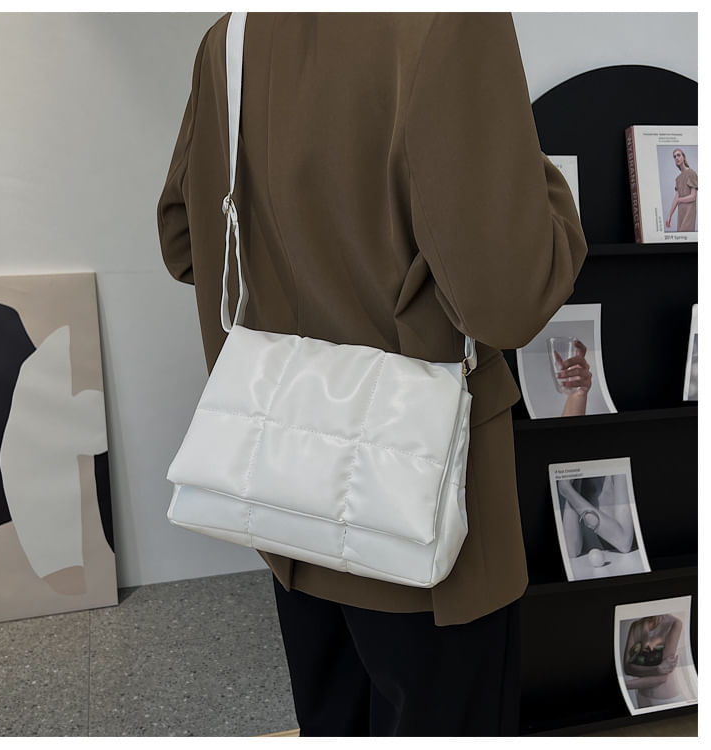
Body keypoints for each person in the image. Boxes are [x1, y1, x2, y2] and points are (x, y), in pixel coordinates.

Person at [157, 12, 588, 736]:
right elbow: (511, 297)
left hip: (286, 500)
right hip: (428, 513)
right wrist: (533, 176)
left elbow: (183, 242)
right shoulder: (450, 22)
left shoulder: (231, 36)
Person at [623, 613, 685, 708]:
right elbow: (627, 668)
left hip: (667, 701)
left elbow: (662, 678)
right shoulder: (635, 625)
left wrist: (624, 685)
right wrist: (657, 669)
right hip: (642, 698)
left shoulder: (674, 623)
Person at [665, 148, 698, 232]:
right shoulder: (678, 179)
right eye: (674, 156)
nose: (676, 158)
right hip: (681, 212)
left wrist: (679, 200)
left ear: (683, 157)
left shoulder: (691, 173)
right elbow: (676, 198)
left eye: (678, 155)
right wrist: (669, 216)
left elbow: (693, 197)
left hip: (689, 212)